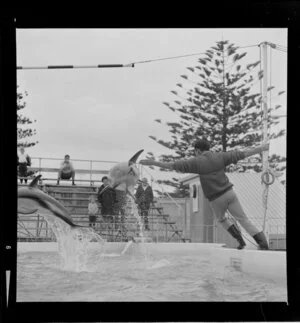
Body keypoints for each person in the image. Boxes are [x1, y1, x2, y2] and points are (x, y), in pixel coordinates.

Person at [140, 138, 270, 250]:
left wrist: (152, 162)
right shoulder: (220, 157)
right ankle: (263, 244)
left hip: (216, 199)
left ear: (197, 150)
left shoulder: (196, 162)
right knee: (244, 219)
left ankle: (240, 241)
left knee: (222, 219)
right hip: (230, 194)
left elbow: (172, 165)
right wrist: (262, 148)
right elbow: (243, 154)